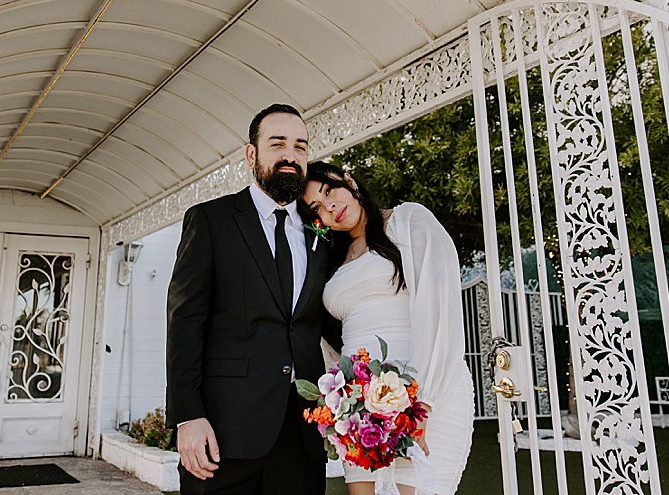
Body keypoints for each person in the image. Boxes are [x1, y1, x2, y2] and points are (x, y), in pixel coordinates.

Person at [166, 104, 337, 495]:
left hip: (304, 433)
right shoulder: (211, 221)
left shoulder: (321, 234)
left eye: (300, 146)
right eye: (278, 143)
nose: (290, 155)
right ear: (251, 154)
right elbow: (184, 323)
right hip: (224, 434)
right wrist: (188, 416)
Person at [302, 161, 474, 495]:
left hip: (420, 390)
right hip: (357, 404)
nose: (330, 206)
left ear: (348, 180)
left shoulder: (407, 221)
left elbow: (441, 311)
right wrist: (341, 399)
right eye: (317, 208)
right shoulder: (330, 259)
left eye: (329, 191)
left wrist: (420, 403)